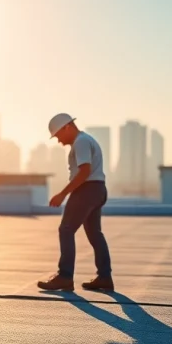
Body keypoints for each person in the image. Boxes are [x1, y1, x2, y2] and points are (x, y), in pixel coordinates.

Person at [37, 112, 114, 292]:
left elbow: (84, 171)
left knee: (66, 229)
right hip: (98, 189)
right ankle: (105, 277)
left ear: (67, 127)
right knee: (95, 233)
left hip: (86, 191)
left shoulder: (81, 142)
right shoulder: (86, 140)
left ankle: (64, 276)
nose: (58, 141)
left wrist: (63, 194)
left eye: (58, 135)